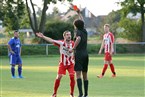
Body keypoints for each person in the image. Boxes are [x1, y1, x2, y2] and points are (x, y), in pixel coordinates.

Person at [36, 31, 75, 97]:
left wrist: (75, 56)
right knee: (59, 77)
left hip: (71, 64)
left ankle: (71, 94)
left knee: (72, 77)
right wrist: (43, 37)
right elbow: (51, 40)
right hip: (62, 63)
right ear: (64, 36)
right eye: (67, 35)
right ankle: (54, 93)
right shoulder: (61, 43)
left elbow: (76, 50)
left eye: (70, 34)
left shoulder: (73, 43)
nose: (69, 36)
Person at [69, 12, 89, 97]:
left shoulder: (77, 32)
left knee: (78, 74)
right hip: (85, 54)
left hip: (79, 54)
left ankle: (80, 94)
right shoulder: (84, 31)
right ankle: (86, 94)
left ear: (76, 26)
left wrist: (73, 48)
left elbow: (78, 38)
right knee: (85, 74)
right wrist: (79, 13)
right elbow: (82, 21)